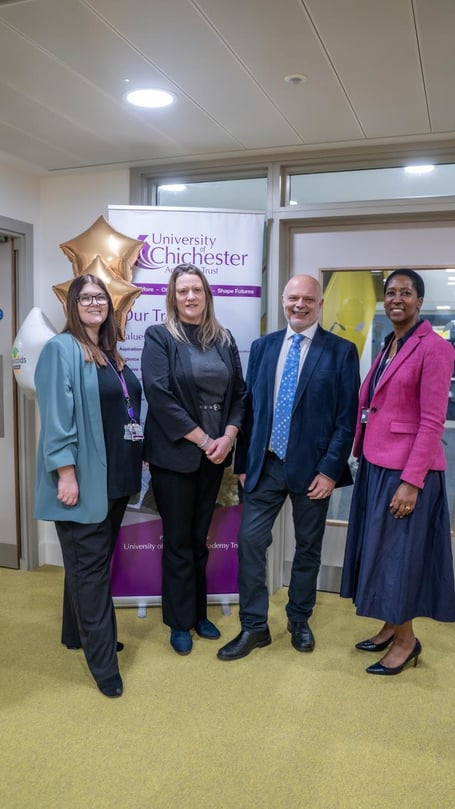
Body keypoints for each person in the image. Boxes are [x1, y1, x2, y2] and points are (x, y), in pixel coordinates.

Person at [218, 274, 360, 661]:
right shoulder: (262, 347)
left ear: (320, 304)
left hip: (314, 472)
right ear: (283, 300)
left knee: (307, 549)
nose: (300, 305)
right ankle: (254, 626)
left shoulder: (341, 351)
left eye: (308, 299)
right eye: (293, 298)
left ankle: (299, 619)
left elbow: (346, 419)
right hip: (264, 465)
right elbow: (249, 408)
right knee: (250, 542)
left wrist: (330, 471)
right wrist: (243, 462)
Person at [340, 269, 455, 675]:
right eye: (391, 292)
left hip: (406, 473)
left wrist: (410, 482)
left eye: (406, 293)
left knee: (397, 558)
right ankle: (391, 625)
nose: (397, 299)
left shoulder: (434, 348)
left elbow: (432, 421)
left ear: (420, 301)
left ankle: (407, 642)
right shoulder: (391, 343)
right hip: (377, 465)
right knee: (379, 552)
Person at [34, 274, 143, 697]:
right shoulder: (61, 349)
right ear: (73, 305)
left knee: (86, 565)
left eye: (101, 297)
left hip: (115, 479)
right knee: (91, 572)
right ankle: (104, 666)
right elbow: (56, 418)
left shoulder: (108, 352)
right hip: (82, 481)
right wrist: (65, 473)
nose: (95, 303)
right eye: (86, 297)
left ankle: (76, 633)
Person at [141, 264, 247, 655]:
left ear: (206, 295)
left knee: (201, 539)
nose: (190, 297)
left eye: (196, 290)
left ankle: (199, 612)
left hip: (215, 456)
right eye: (183, 290)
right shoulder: (160, 336)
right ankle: (179, 620)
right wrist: (204, 440)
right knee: (178, 541)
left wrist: (229, 436)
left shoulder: (223, 338)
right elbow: (159, 394)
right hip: (176, 456)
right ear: (173, 296)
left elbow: (239, 394)